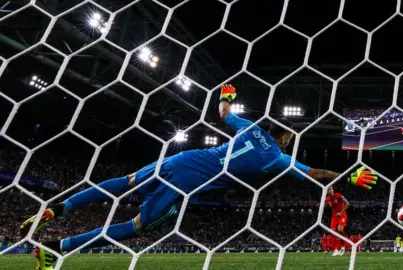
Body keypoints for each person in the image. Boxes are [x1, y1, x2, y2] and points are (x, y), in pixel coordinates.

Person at [20, 85, 377, 269]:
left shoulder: (246, 126)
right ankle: (56, 249)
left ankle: (56, 208)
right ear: (283, 136)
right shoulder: (274, 156)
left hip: (183, 157)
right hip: (186, 183)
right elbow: (315, 173)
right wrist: (349, 175)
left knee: (125, 183)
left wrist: (227, 95)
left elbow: (223, 112)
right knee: (136, 227)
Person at [326, 186, 351, 256]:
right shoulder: (327, 199)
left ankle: (343, 247)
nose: (330, 190)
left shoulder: (338, 196)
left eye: (330, 189)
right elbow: (330, 206)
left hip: (342, 215)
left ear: (333, 190)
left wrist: (341, 213)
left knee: (340, 230)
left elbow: (347, 203)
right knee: (333, 232)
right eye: (328, 190)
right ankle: (335, 250)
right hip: (334, 217)